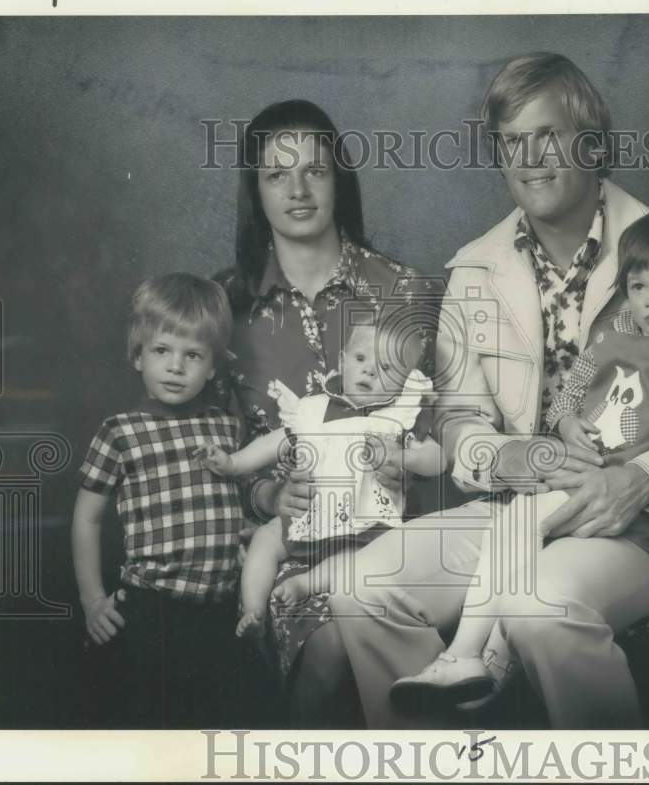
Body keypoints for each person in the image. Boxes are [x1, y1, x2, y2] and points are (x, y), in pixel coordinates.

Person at [328, 52, 649, 728]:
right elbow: (461, 416)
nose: (529, 159)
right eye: (511, 143)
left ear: (592, 142)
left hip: (636, 527)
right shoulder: (475, 267)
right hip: (515, 512)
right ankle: (435, 759)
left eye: (549, 137)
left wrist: (647, 478)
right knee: (359, 587)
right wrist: (505, 457)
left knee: (536, 601)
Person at [389, 211, 649, 709]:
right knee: (519, 530)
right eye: (639, 285)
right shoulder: (613, 336)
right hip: (581, 481)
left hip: (640, 515)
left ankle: (467, 655)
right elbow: (574, 390)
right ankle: (482, 661)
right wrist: (564, 424)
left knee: (530, 556)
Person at [212, 99, 439, 726]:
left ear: (341, 179)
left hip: (396, 540)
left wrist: (411, 467)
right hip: (289, 552)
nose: (298, 189)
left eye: (315, 170)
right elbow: (211, 453)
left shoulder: (405, 290)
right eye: (276, 174)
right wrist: (268, 497)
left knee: (361, 623)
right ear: (254, 191)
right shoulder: (227, 310)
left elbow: (455, 432)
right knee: (331, 638)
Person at [71, 273, 250, 728]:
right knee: (150, 725)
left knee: (216, 727)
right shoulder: (120, 431)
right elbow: (87, 519)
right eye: (161, 351)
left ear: (212, 367)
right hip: (154, 610)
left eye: (193, 355)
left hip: (219, 609)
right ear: (138, 356)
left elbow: (238, 501)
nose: (176, 367)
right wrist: (92, 599)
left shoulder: (227, 429)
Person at [195, 319, 443, 637]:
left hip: (364, 528)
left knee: (360, 567)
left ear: (405, 381)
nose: (369, 371)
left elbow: (437, 459)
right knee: (266, 540)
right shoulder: (312, 410)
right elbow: (273, 444)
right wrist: (232, 463)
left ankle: (306, 584)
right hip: (307, 516)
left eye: (386, 367)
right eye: (360, 359)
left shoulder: (395, 420)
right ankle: (253, 609)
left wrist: (402, 457)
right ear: (342, 361)